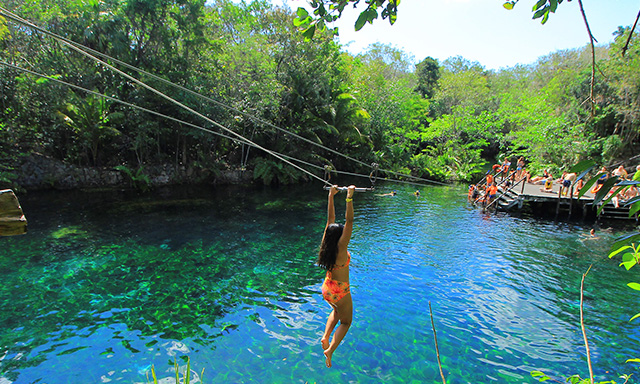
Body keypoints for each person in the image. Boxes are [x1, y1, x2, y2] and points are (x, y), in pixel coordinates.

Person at [318, 185, 355, 368]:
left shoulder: (327, 242)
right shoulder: (341, 248)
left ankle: (325, 336)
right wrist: (349, 197)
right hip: (340, 289)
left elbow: (330, 219)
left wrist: (331, 195)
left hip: (327, 287)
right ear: (339, 236)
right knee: (346, 321)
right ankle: (330, 349)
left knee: (336, 310)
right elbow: (349, 222)